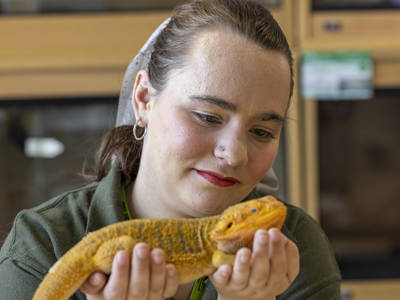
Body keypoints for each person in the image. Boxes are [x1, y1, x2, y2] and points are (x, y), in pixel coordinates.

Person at [0, 0, 342, 299]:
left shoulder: (292, 248)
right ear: (144, 99)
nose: (234, 154)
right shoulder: (42, 244)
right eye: (207, 117)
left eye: (262, 131)